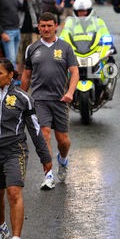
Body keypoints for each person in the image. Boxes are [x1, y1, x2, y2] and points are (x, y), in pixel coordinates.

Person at [20, 12, 79, 190]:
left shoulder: (66, 47)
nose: (46, 29)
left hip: (60, 99)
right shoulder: (32, 48)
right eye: (43, 26)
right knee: (44, 134)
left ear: (56, 26)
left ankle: (63, 159)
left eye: (49, 25)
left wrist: (70, 92)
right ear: (39, 27)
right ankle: (48, 175)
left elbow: (75, 72)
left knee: (63, 140)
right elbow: (26, 75)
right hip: (39, 100)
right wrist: (21, 98)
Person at [0, 58, 52, 239]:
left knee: (13, 192)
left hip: (15, 149)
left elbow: (35, 129)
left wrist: (45, 157)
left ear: (11, 75)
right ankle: (2, 227)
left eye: (0, 73)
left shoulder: (23, 98)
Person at [0, 0, 23, 67]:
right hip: (7, 31)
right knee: (11, 59)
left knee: (14, 58)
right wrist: (2, 33)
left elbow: (22, 8)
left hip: (17, 30)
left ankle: (11, 78)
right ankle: (11, 80)